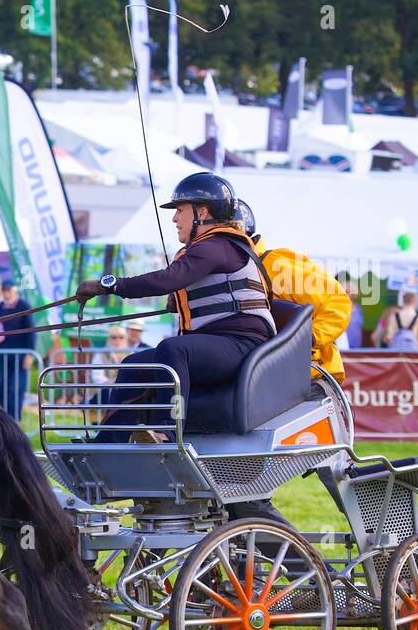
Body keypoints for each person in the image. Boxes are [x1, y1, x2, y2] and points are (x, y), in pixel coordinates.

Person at [76, 172, 274, 443]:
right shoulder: (212, 248)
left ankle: (167, 430)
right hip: (219, 343)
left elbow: (169, 278)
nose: (174, 218)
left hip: (242, 344)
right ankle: (108, 441)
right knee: (132, 363)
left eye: (180, 210)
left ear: (202, 213)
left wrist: (109, 284)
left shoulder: (217, 245)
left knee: (173, 348)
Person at [236, 198, 351, 382]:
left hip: (307, 378)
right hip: (270, 378)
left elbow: (336, 303)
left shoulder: (275, 265)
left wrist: (305, 340)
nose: (174, 219)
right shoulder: (238, 270)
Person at [0, 283, 34, 420]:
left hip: (20, 354)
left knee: (15, 388)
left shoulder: (24, 306)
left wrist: (29, 354)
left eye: (9, 291)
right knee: (1, 388)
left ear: (15, 291)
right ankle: (6, 418)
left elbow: (31, 331)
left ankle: (15, 419)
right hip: (3, 354)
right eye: (4, 291)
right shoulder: (1, 306)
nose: (7, 294)